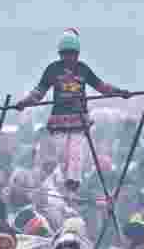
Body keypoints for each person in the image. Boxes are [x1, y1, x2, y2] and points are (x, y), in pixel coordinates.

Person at [15, 28, 130, 191]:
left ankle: (74, 180)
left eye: (71, 54)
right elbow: (38, 92)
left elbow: (102, 87)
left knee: (76, 151)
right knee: (62, 153)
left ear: (77, 54)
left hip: (78, 118)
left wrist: (120, 92)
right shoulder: (52, 69)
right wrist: (24, 103)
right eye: (65, 54)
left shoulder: (83, 69)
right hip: (59, 119)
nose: (68, 58)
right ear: (60, 54)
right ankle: (66, 180)